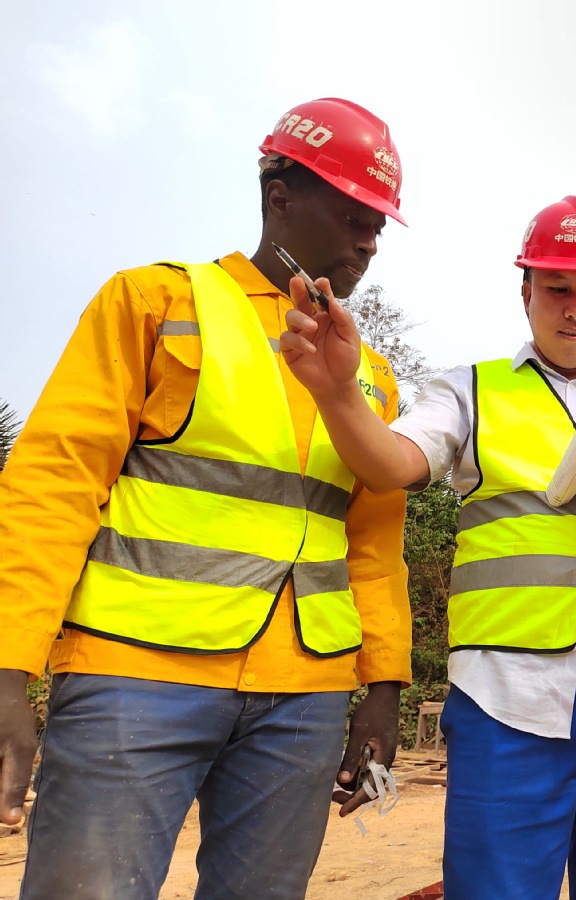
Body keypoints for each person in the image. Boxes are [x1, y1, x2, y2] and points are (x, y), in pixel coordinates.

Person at [0, 97, 413, 899]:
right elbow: (53, 484)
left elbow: (373, 544)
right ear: (279, 196)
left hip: (305, 694)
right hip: (135, 673)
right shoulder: (158, 303)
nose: (369, 240)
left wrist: (384, 691)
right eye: (353, 215)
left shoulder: (370, 374)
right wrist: (8, 666)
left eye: (379, 225)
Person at [278, 195, 576, 899]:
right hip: (505, 698)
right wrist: (338, 394)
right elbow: (391, 464)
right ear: (526, 291)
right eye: (558, 288)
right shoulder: (470, 391)